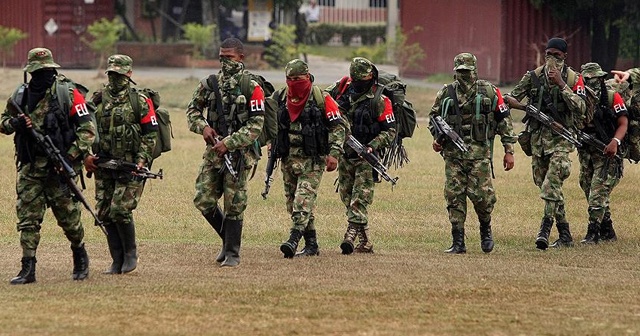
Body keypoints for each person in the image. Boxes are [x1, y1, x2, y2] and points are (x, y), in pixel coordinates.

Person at [1, 47, 95, 284]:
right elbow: (3, 122)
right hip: (30, 167)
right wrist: (14, 123)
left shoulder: (68, 93)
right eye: (37, 71)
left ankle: (80, 256)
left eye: (46, 71)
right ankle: (27, 267)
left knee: (69, 218)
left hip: (59, 168)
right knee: (28, 219)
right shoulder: (21, 95)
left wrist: (70, 157)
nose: (42, 76)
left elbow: (87, 130)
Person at [186, 37, 265, 267]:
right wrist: (204, 128)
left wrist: (229, 143)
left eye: (229, 58)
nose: (224, 62)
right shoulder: (209, 83)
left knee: (234, 202)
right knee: (203, 199)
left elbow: (256, 125)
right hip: (214, 153)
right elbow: (192, 111)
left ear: (241, 57)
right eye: (221, 58)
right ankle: (226, 239)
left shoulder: (252, 86)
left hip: (238, 155)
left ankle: (232, 253)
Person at [429, 52, 517, 254]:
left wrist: (508, 150)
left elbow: (504, 121)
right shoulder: (446, 92)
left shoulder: (489, 91)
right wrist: (437, 138)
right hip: (453, 156)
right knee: (454, 196)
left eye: (467, 71)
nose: (463, 76)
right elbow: (434, 117)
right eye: (460, 72)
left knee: (483, 197)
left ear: (475, 71)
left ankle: (486, 230)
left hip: (479, 155)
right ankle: (458, 241)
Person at [504, 37, 587, 250]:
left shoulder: (572, 78)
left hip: (562, 140)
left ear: (565, 57)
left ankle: (545, 229)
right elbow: (509, 98)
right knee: (546, 186)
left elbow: (581, 107)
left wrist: (561, 84)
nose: (552, 59)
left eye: (557, 56)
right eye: (549, 54)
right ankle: (565, 234)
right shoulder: (533, 77)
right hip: (538, 141)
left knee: (551, 186)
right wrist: (522, 107)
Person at [84, 54, 158, 274]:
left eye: (120, 74)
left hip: (130, 165)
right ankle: (116, 259)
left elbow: (150, 134)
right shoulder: (98, 99)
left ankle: (130, 255)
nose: (116, 79)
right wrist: (86, 156)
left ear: (129, 74)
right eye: (112, 74)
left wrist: (141, 160)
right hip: (104, 165)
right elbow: (83, 129)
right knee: (105, 212)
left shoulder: (140, 101)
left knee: (120, 210)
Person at [275, 59, 347, 258]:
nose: (293, 82)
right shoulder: (281, 97)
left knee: (302, 200)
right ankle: (312, 244)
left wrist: (334, 154)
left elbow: (338, 127)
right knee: (292, 203)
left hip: (313, 161)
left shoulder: (321, 98)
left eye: (297, 79)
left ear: (307, 77)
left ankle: (293, 239)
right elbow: (271, 123)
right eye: (289, 79)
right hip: (289, 159)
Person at [326, 57, 396, 255]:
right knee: (347, 196)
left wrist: (372, 146)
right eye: (356, 79)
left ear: (371, 77)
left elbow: (390, 131)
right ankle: (365, 243)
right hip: (345, 154)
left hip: (367, 157)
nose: (359, 84)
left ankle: (349, 236)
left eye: (363, 79)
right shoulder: (341, 89)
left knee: (360, 198)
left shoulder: (380, 100)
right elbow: (323, 100)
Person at [577, 63, 628, 243]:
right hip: (586, 152)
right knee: (587, 186)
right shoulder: (577, 98)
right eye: (589, 79)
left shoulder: (612, 96)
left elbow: (623, 123)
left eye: (597, 78)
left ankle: (593, 233)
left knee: (597, 193)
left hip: (608, 153)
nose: (594, 82)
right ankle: (608, 230)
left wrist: (615, 141)